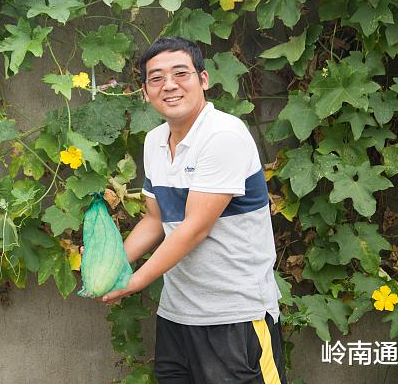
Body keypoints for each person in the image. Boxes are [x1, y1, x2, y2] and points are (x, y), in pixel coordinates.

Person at [101, 37, 286, 384]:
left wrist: (134, 281)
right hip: (177, 317)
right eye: (156, 78)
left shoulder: (224, 135)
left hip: (235, 318)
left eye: (180, 74)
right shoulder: (154, 141)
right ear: (145, 91)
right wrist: (110, 267)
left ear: (203, 80)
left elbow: (194, 228)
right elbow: (155, 219)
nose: (168, 85)